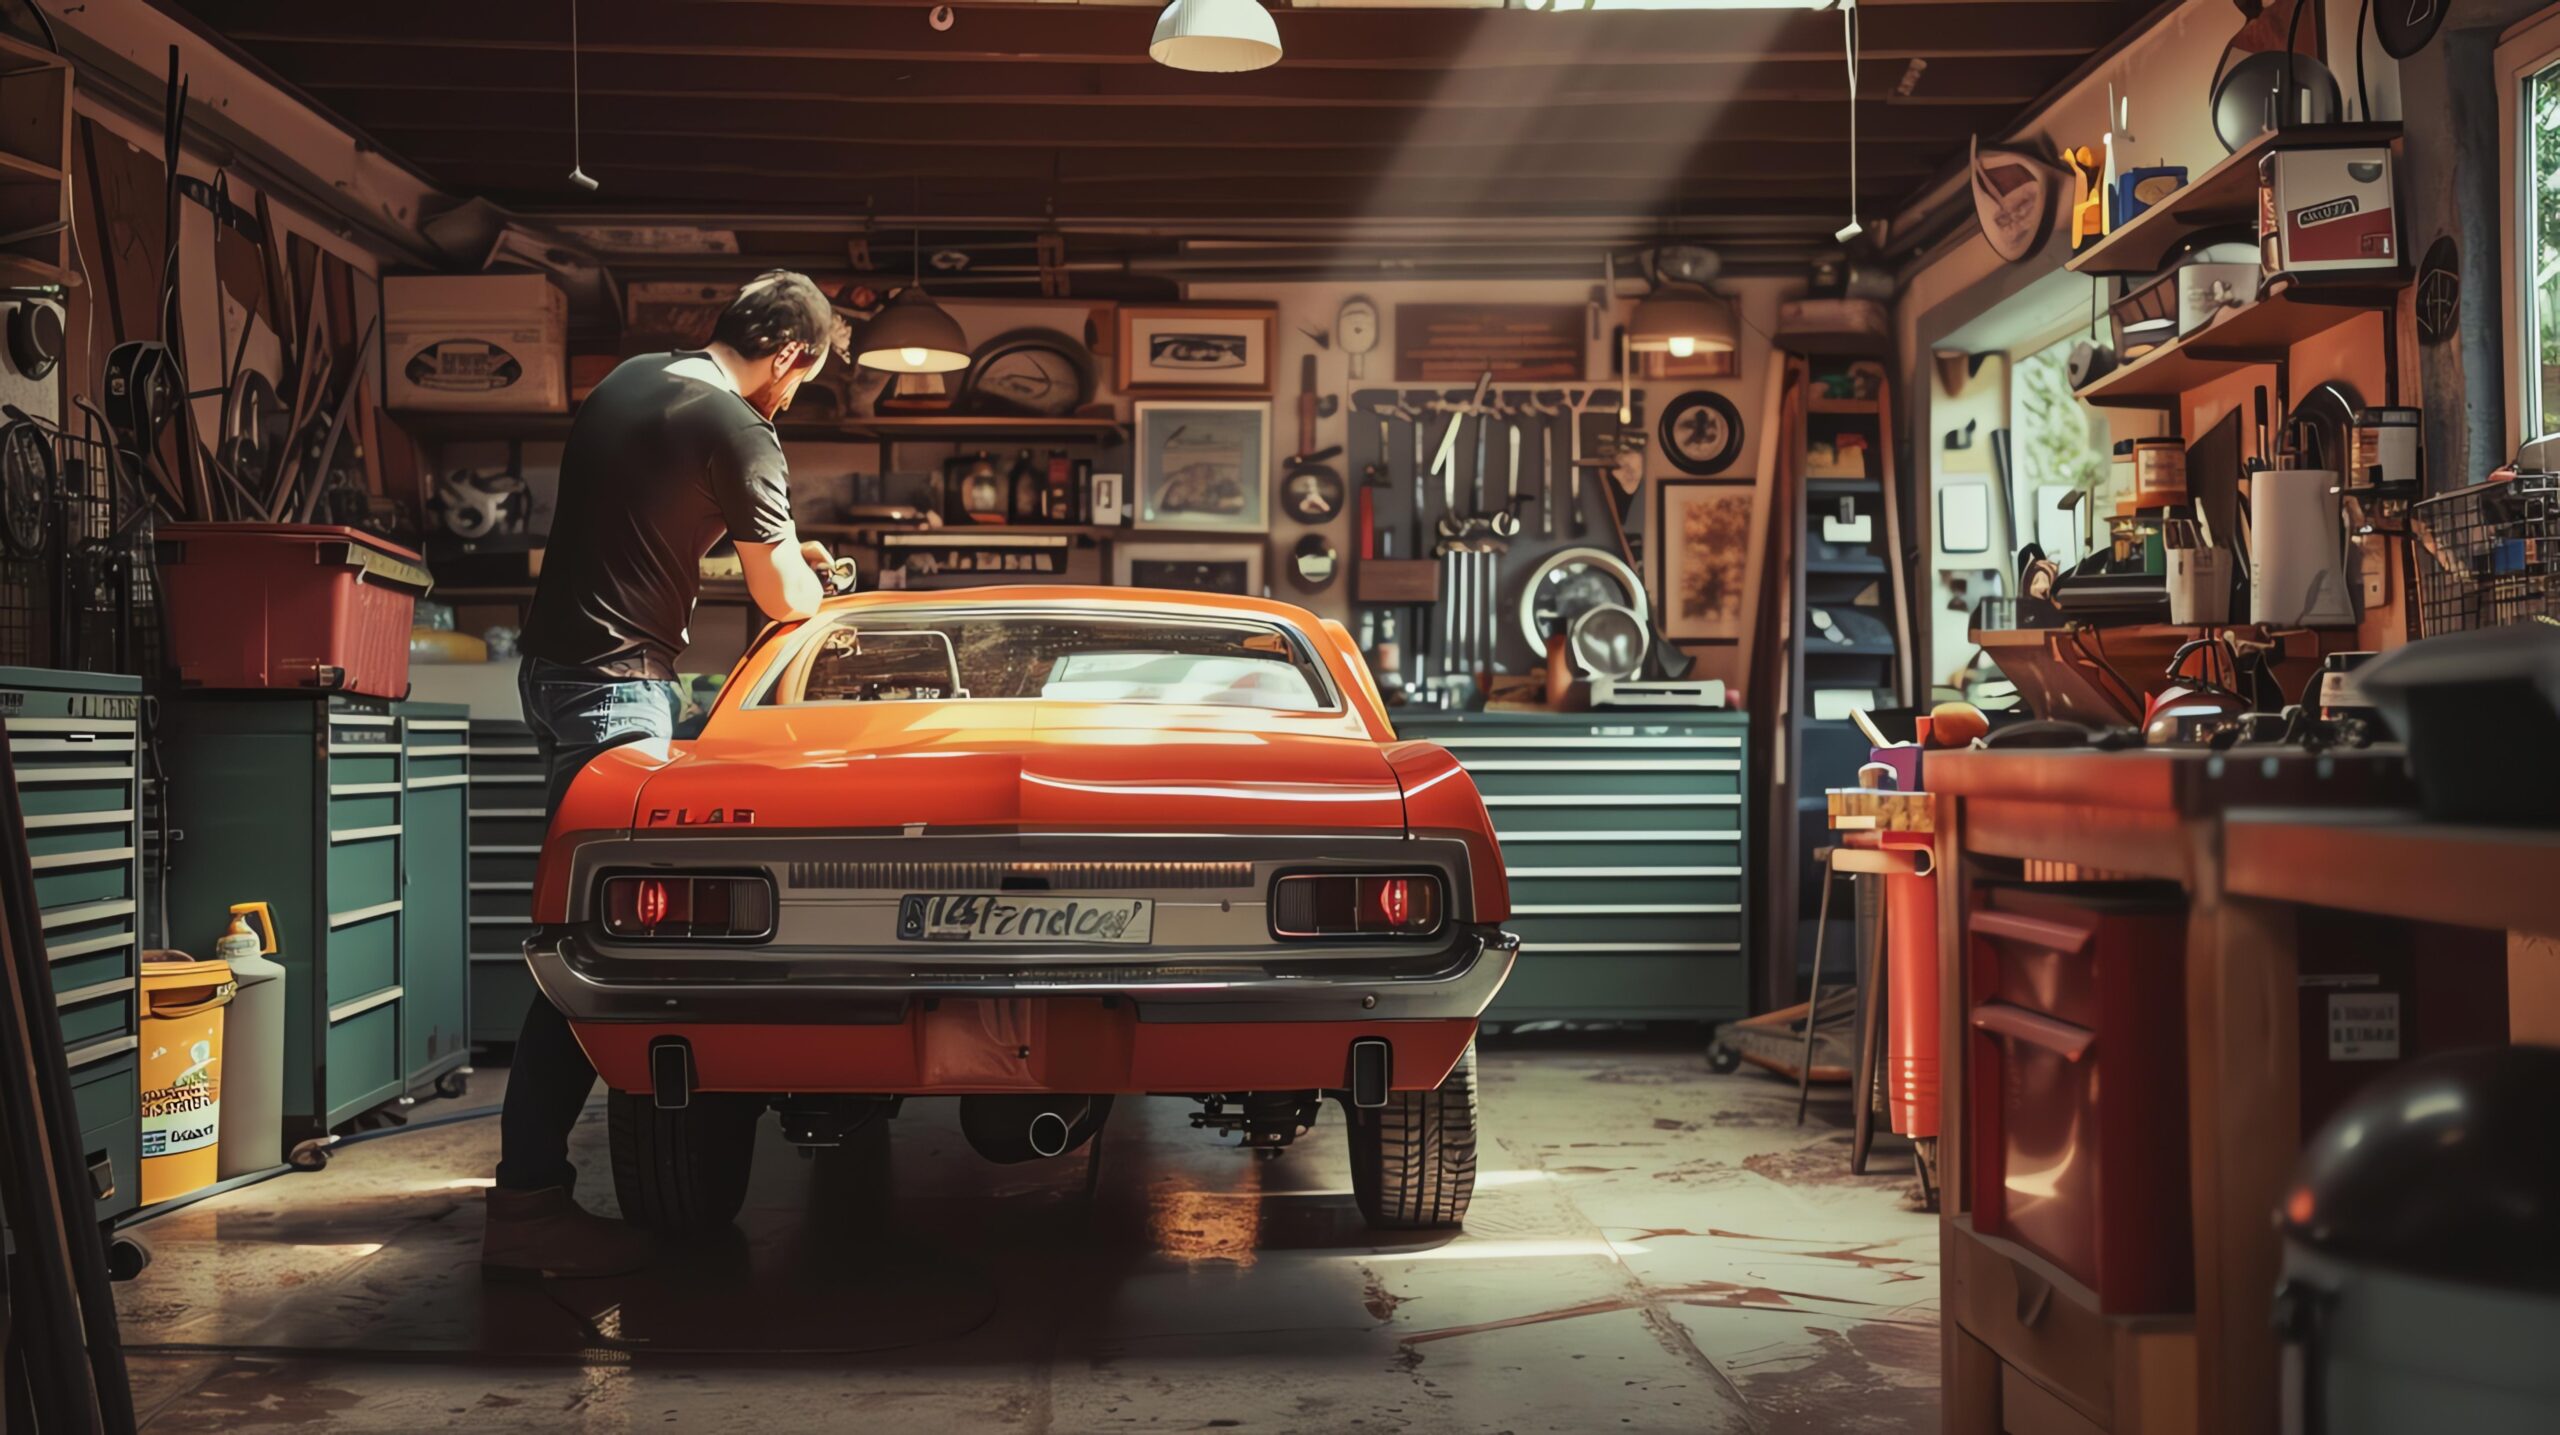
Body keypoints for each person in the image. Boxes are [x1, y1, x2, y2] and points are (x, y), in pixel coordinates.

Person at [481, 271, 848, 1279]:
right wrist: (803, 572)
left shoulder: (633, 383)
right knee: (589, 939)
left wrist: (765, 553)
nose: (792, 399)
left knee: (583, 922)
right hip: (614, 689)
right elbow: (787, 601)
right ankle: (525, 1206)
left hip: (556, 674)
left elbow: (643, 539)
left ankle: (531, 1185)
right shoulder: (739, 428)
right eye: (803, 381)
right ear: (786, 357)